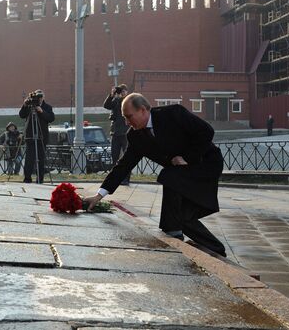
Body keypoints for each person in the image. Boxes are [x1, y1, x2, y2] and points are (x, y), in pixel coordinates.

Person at [85, 93, 226, 257]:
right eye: (124, 118)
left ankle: (172, 231)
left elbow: (206, 131)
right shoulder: (135, 135)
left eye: (129, 116)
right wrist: (98, 195)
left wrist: (187, 157)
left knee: (169, 178)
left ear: (143, 110)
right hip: (181, 173)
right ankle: (214, 248)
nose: (127, 122)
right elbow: (124, 165)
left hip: (205, 163)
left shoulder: (173, 114)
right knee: (182, 215)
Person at [19, 89, 55, 183]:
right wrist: (25, 105)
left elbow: (51, 118)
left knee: (41, 159)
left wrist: (42, 111)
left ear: (43, 97)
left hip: (42, 136)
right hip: (30, 136)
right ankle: (27, 178)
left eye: (40, 97)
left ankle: (40, 179)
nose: (38, 99)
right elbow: (21, 115)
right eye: (36, 97)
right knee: (29, 159)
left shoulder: (47, 107)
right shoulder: (30, 105)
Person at [103, 84, 130, 185]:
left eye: (123, 91)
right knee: (114, 157)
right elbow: (106, 106)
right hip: (115, 132)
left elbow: (126, 105)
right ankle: (115, 178)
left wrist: (123, 97)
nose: (121, 93)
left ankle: (126, 179)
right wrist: (111, 95)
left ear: (126, 92)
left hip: (126, 133)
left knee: (127, 157)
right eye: (120, 91)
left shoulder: (128, 100)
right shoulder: (115, 101)